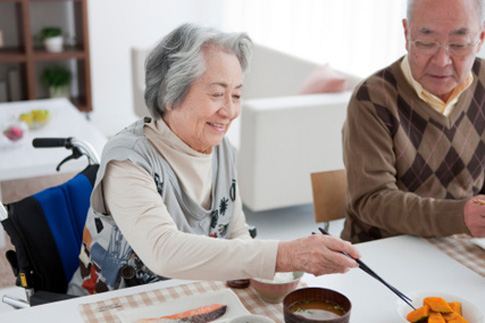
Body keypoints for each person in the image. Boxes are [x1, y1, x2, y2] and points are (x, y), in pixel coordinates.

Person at [68, 23, 360, 295]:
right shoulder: (128, 160)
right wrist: (285, 254)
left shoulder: (221, 150)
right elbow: (163, 250)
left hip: (185, 298)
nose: (230, 111)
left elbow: (237, 231)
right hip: (109, 306)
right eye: (218, 94)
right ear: (171, 95)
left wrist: (266, 276)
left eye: (236, 95)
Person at [341, 0, 485, 243]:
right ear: (407, 34)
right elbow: (372, 200)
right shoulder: (373, 98)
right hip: (381, 250)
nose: (442, 61)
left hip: (460, 244)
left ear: (480, 38)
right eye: (426, 43)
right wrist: (459, 216)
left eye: (458, 45)